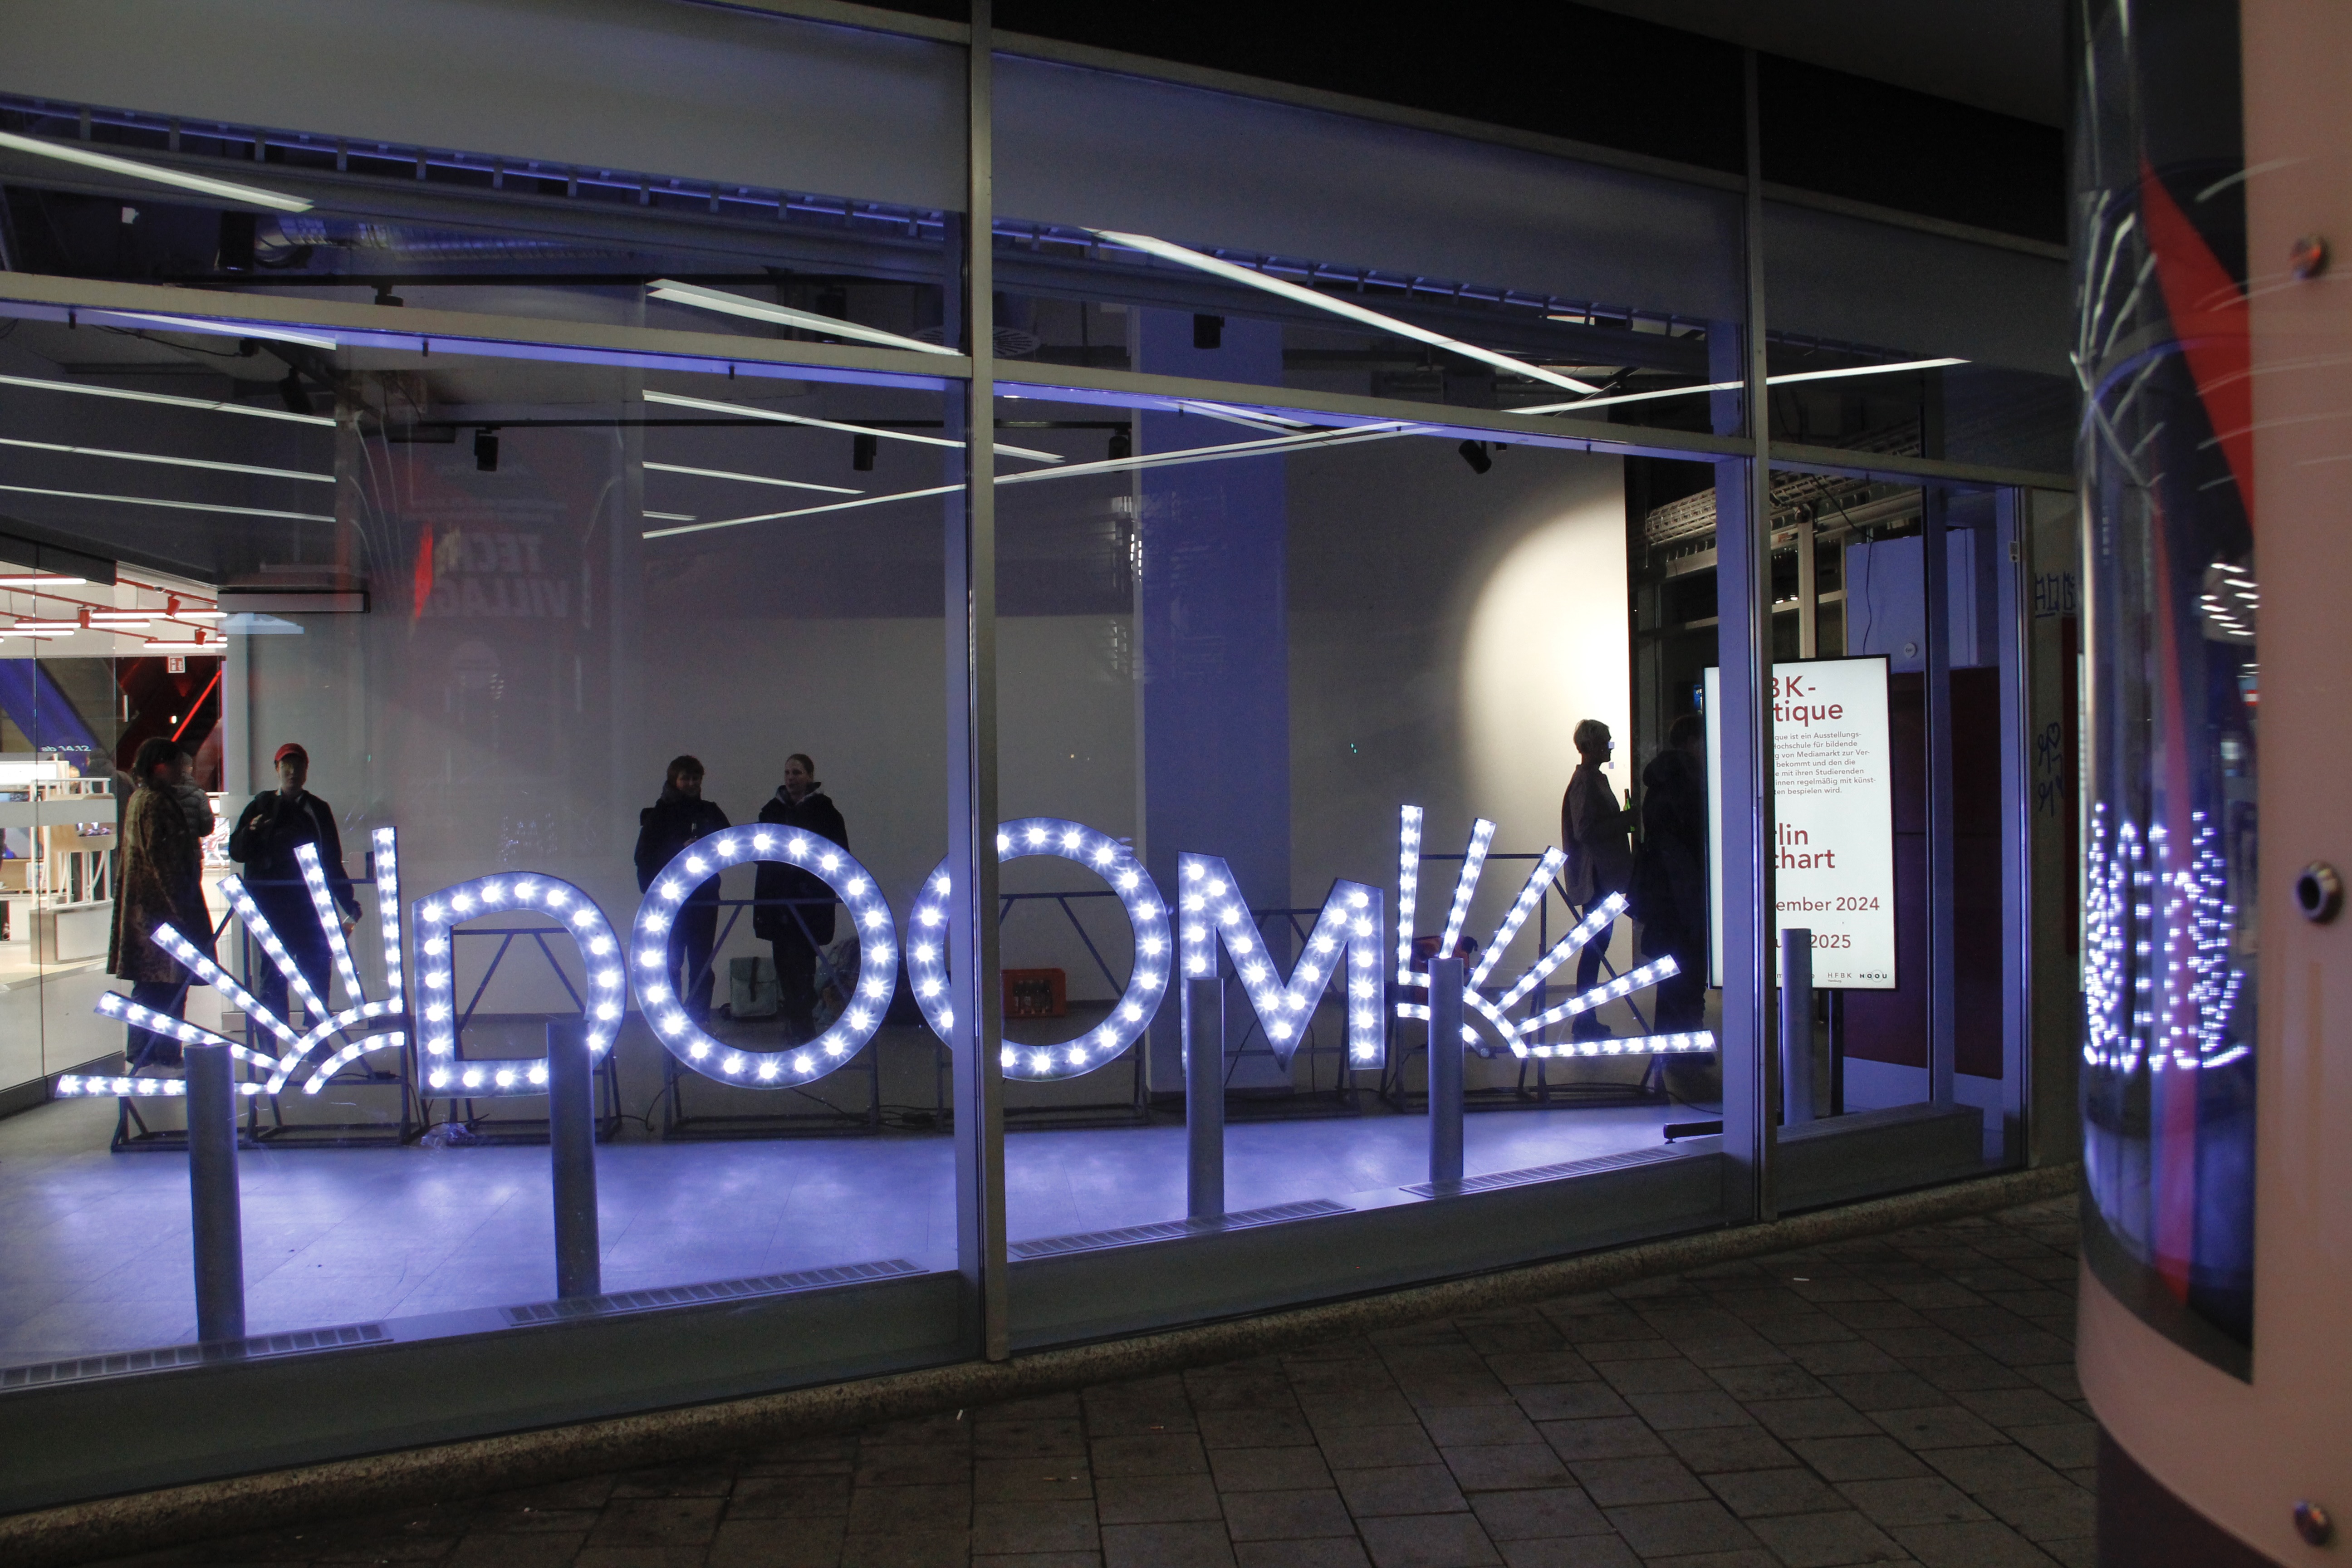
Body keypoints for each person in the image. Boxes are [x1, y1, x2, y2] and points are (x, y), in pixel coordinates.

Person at [228, 743, 361, 1025]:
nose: (292, 772)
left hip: (309, 905)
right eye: (287, 766)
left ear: (306, 771)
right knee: (275, 974)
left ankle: (314, 1040)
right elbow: (238, 852)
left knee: (315, 971)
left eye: (298, 766)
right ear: (277, 769)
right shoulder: (260, 807)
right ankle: (275, 1043)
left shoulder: (318, 810)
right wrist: (252, 832)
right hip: (274, 905)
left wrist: (348, 902)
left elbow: (331, 859)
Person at [108, 739, 216, 1070]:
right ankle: (159, 1050)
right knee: (165, 985)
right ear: (160, 766)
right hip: (163, 917)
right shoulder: (156, 803)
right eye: (175, 765)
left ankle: (149, 1050)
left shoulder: (142, 800)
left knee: (153, 986)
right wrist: (182, 910)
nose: (180, 771)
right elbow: (165, 862)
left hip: (147, 915)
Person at [754, 754, 847, 1042]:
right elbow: (759, 853)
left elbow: (839, 856)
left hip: (808, 905)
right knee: (784, 966)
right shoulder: (770, 811)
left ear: (809, 776)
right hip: (779, 904)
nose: (791, 778)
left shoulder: (826, 813)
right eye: (787, 773)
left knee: (803, 967)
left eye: (797, 772)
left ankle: (801, 1026)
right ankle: (798, 1023)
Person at [635, 755, 729, 1025]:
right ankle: (674, 1022)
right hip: (673, 900)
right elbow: (644, 857)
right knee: (673, 963)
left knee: (700, 963)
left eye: (694, 778)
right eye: (685, 778)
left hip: (702, 899)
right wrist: (680, 851)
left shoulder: (710, 812)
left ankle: (697, 1021)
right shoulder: (659, 816)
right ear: (674, 781)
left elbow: (732, 846)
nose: (690, 783)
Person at [1632, 714, 1710, 1033]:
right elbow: (1690, 843)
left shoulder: (1661, 783)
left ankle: (1671, 1040)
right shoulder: (1689, 784)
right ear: (1693, 742)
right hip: (1684, 892)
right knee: (1690, 968)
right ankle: (1688, 1042)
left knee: (1672, 970)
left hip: (1665, 893)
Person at [1560, 718, 1637, 1035]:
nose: (1609, 745)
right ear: (1590, 746)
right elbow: (1586, 830)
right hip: (1598, 880)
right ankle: (1584, 1019)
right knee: (1594, 949)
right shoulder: (1586, 783)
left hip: (1603, 877)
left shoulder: (1593, 780)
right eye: (1605, 741)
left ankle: (1585, 1018)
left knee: (1595, 948)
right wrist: (1625, 821)